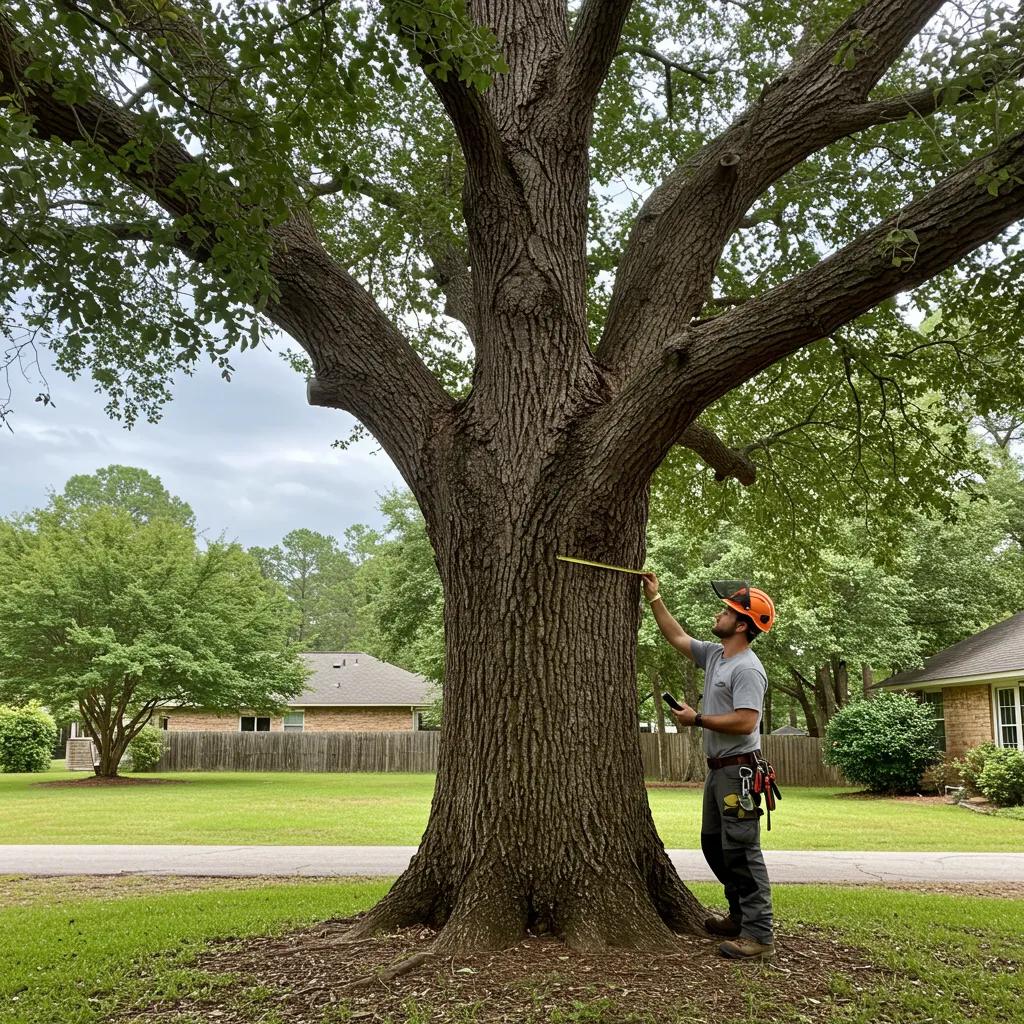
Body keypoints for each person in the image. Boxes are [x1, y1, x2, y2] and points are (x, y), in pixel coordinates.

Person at [641, 573, 777, 961]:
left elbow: (746, 721)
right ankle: (738, 915)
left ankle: (760, 934)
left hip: (741, 774)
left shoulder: (747, 669)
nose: (719, 614)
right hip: (719, 772)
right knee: (714, 845)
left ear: (742, 624)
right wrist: (655, 598)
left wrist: (697, 719)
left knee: (741, 850)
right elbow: (678, 637)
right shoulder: (718, 655)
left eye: (727, 611)